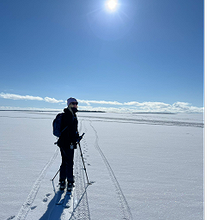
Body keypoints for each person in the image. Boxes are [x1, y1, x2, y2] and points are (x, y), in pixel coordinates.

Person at [57, 97, 79, 191]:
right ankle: (70, 182)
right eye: (73, 103)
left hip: (62, 142)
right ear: (69, 104)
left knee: (64, 162)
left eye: (76, 103)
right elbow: (71, 131)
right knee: (69, 163)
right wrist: (76, 138)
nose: (75, 105)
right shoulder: (70, 115)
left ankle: (62, 182)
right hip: (68, 143)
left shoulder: (67, 114)